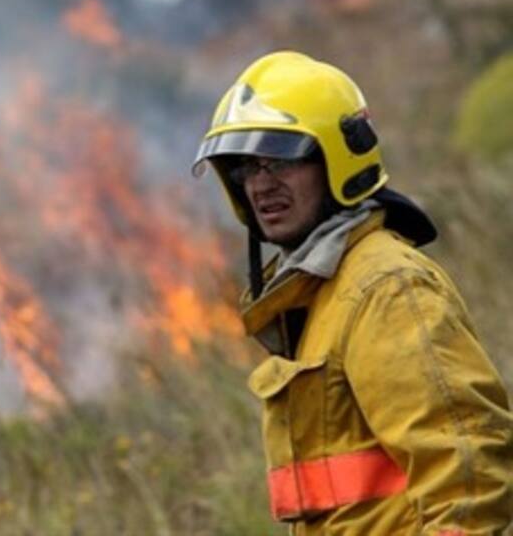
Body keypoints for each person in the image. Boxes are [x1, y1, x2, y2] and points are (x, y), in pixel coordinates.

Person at [192, 51, 513, 535]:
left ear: (338, 160)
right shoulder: (322, 293)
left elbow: (467, 474)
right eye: (245, 168)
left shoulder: (386, 288)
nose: (262, 184)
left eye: (279, 160)